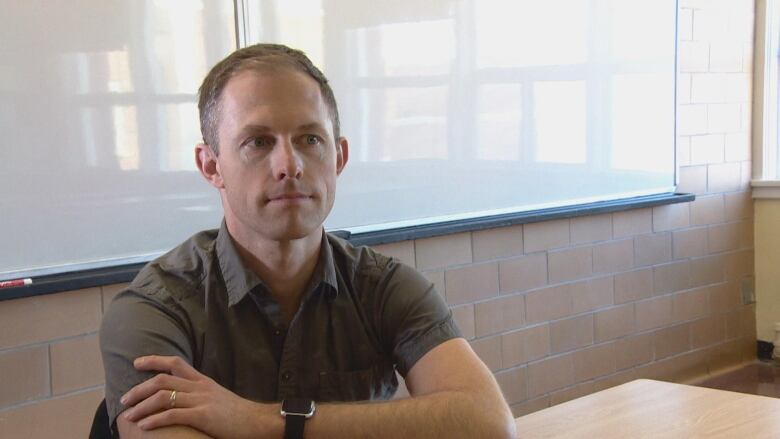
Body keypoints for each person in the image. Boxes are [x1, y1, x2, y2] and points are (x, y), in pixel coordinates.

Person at [99, 43, 516, 439]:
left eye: (310, 139)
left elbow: (487, 422)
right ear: (211, 166)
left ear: (338, 157)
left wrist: (259, 420)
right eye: (258, 142)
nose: (290, 165)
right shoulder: (154, 308)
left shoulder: (385, 287)